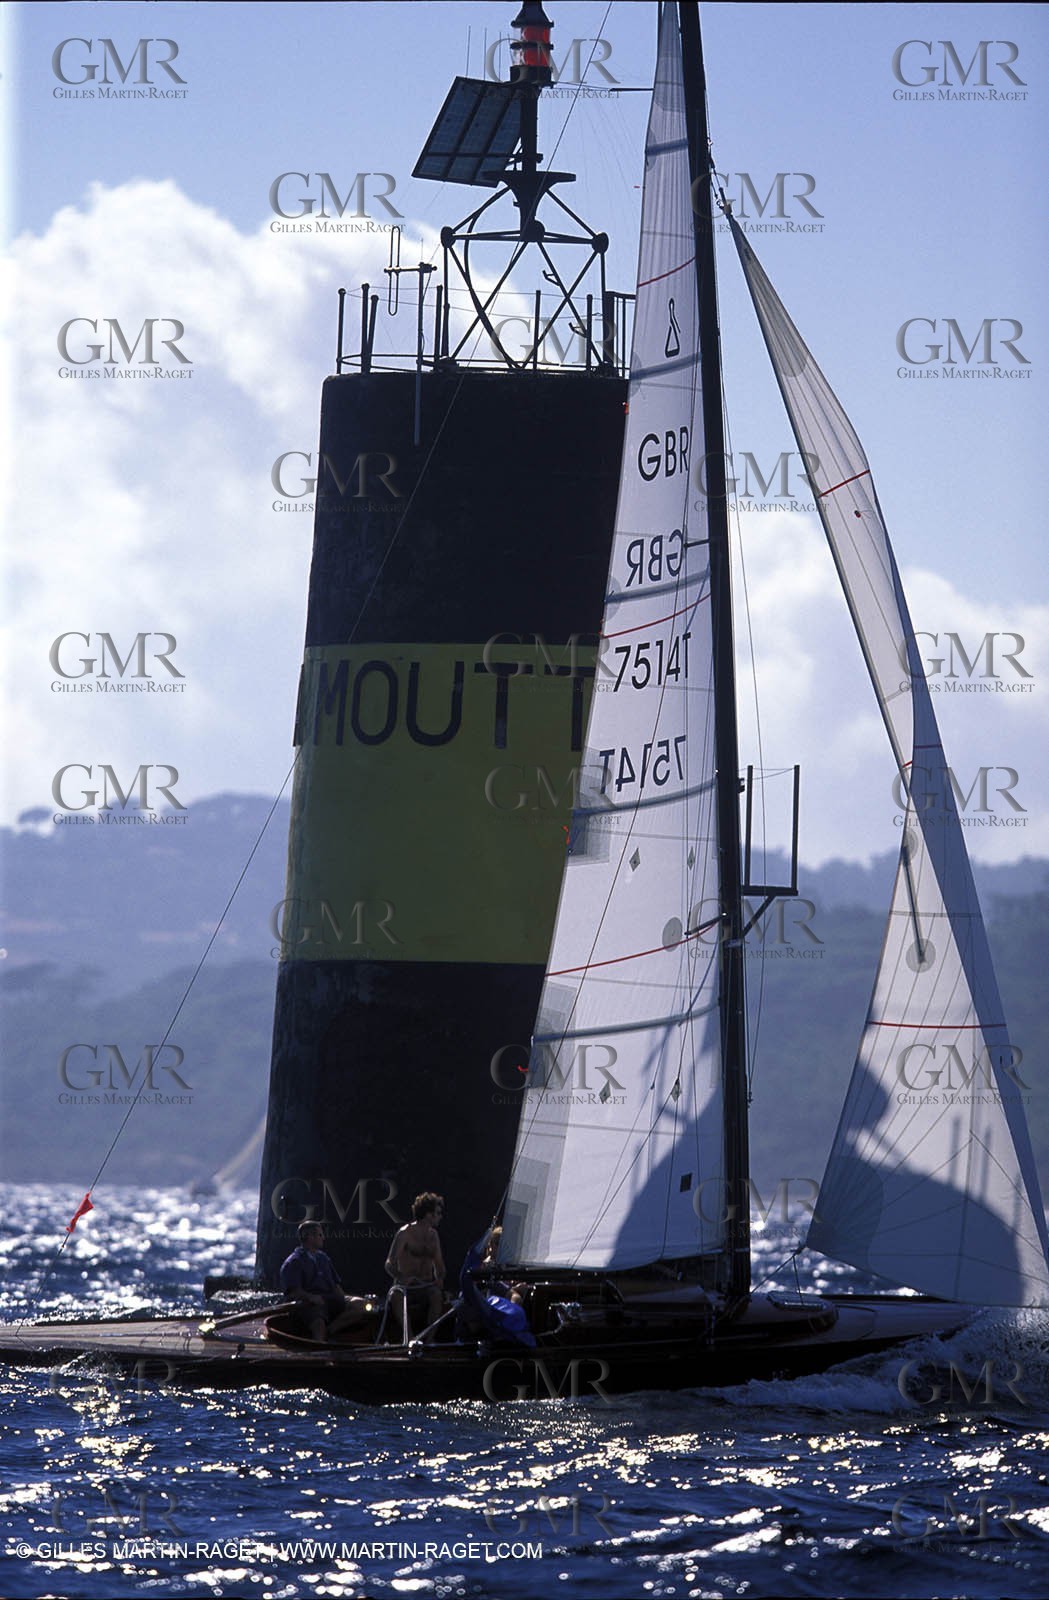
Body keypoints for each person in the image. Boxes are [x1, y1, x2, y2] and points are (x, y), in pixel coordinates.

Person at [279, 1222, 363, 1341]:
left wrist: (343, 1300)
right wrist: (311, 1297)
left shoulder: (323, 1259)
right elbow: (293, 1292)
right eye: (320, 1235)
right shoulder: (294, 1262)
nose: (323, 1238)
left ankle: (330, 1331)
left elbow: (335, 1285)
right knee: (318, 1323)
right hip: (309, 1304)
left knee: (360, 1305)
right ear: (309, 1237)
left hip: (328, 1300)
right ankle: (319, 1346)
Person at [384, 1192, 446, 1337]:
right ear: (428, 1214)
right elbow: (389, 1263)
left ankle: (429, 1339)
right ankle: (409, 1339)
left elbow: (439, 1265)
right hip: (406, 1287)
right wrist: (401, 1277)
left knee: (436, 1295)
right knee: (396, 1296)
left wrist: (440, 1278)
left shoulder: (433, 1236)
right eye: (438, 1213)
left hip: (426, 1286)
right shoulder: (405, 1233)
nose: (440, 1216)